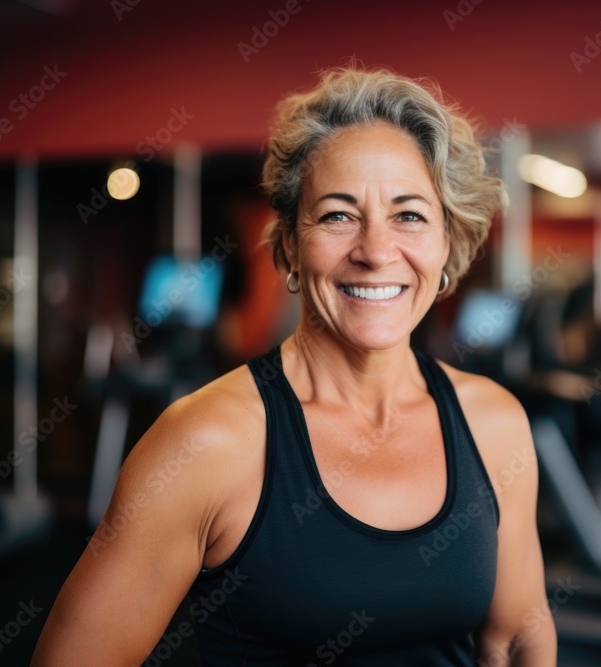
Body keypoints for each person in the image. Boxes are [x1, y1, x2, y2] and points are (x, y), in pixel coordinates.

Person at [32, 66, 556, 666]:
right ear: (287, 245)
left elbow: (516, 637)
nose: (376, 251)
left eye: (409, 215)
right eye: (338, 215)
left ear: (446, 243)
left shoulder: (494, 422)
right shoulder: (207, 443)